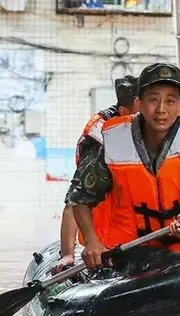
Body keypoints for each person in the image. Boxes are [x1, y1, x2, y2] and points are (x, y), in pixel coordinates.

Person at [68, 63, 180, 270]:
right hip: (128, 252)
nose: (161, 110)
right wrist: (92, 240)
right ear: (139, 104)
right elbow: (80, 197)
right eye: (153, 100)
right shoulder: (115, 140)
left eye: (170, 101)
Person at [54, 75, 139, 274]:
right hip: (102, 232)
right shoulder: (99, 140)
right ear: (125, 111)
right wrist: (68, 254)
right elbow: (74, 200)